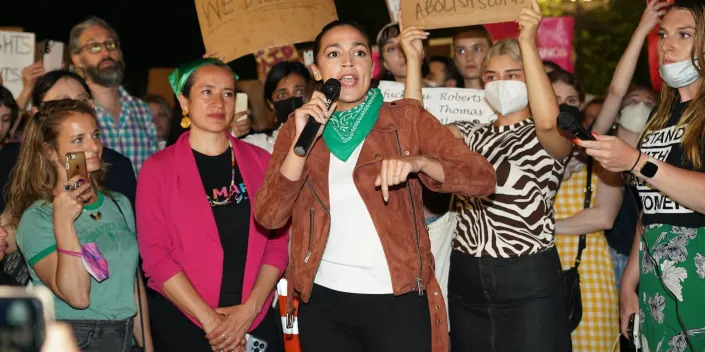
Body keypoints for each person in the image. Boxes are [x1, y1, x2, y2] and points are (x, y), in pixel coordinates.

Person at [254, 19, 496, 352]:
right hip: (322, 301)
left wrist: (420, 163)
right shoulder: (297, 127)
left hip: (397, 301)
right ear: (317, 70)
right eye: (334, 53)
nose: (348, 61)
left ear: (371, 64)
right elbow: (269, 216)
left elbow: (483, 178)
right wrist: (300, 143)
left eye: (359, 52)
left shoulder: (406, 119)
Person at [576, 2, 705, 351]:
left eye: (685, 35)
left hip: (698, 270)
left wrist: (637, 161)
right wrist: (629, 282)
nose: (667, 45)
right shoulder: (658, 120)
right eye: (663, 35)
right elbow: (650, 209)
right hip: (654, 273)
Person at [446, 1, 573, 350]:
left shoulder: (548, 136)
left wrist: (529, 42)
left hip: (528, 281)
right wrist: (413, 61)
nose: (500, 84)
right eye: (491, 77)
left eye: (512, 75)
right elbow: (414, 133)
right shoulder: (470, 133)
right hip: (466, 277)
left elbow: (549, 119)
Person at [137, 58, 288, 352]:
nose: (219, 102)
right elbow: (156, 257)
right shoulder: (158, 170)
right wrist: (214, 324)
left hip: (253, 321)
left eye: (228, 93)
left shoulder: (260, 162)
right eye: (207, 92)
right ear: (184, 101)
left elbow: (277, 243)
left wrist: (248, 312)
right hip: (187, 324)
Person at [5, 99, 152, 351]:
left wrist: (147, 346)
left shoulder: (119, 203)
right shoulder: (37, 218)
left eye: (95, 135)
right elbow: (78, 297)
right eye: (78, 140)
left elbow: (133, 284)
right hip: (78, 337)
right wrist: (63, 222)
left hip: (125, 337)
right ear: (51, 152)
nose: (94, 146)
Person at [550, 69, 621, 350]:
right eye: (555, 99)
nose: (564, 105)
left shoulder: (597, 154)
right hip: (538, 273)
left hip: (587, 272)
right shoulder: (525, 155)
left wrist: (539, 224)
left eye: (571, 99)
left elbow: (604, 216)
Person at [0, 70, 137, 212]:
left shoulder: (118, 166)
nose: (76, 109)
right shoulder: (12, 160)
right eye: (62, 104)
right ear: (37, 113)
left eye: (82, 100)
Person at [69, 16, 158, 173]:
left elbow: (157, 172)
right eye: (94, 47)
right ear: (77, 59)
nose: (106, 52)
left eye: (110, 44)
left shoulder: (141, 110)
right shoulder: (75, 112)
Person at [243, 61, 312, 153]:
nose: (292, 99)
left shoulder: (328, 137)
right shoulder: (260, 145)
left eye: (300, 92)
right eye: (282, 95)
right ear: (271, 104)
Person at [452, 25, 492, 89]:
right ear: (455, 60)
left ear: (491, 54)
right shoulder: (442, 97)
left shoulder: (504, 97)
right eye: (461, 51)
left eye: (477, 49)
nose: (469, 58)